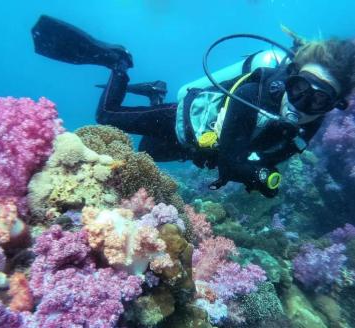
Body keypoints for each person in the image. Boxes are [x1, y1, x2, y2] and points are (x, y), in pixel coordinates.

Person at [32, 15, 355, 198]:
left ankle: (155, 92)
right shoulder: (256, 93)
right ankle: (117, 62)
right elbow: (230, 161)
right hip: (182, 121)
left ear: (333, 106)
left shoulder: (309, 125)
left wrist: (260, 169)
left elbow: (265, 153)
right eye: (299, 89)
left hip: (196, 147)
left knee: (148, 152)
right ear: (291, 78)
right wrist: (262, 175)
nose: (301, 104)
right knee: (106, 116)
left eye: (318, 99)